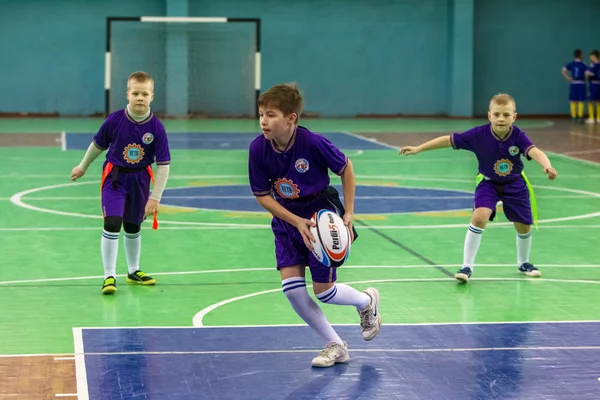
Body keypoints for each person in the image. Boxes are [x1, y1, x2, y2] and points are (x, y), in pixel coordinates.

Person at [247, 83, 381, 368]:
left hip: (321, 218)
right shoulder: (258, 149)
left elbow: (346, 167)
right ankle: (335, 345)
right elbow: (261, 195)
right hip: (288, 221)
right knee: (293, 290)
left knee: (325, 292)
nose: (263, 121)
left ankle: (365, 302)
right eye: (260, 114)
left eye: (270, 115)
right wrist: (294, 221)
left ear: (291, 118)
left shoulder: (313, 143)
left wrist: (349, 213)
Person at [399, 93, 557, 283]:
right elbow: (448, 140)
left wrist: (546, 165)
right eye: (497, 114)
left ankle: (524, 262)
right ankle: (467, 267)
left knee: (523, 225)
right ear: (489, 115)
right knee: (479, 216)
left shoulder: (518, 136)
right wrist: (419, 148)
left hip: (515, 184)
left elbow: (534, 151)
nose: (501, 119)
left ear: (514, 117)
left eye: (506, 115)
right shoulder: (477, 135)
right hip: (488, 183)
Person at [70, 71, 171, 294]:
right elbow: (97, 145)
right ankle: (109, 276)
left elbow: (164, 164)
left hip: (140, 179)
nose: (140, 97)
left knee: (133, 226)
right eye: (135, 93)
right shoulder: (115, 120)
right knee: (113, 223)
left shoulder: (156, 128)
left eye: (145, 93)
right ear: (128, 94)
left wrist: (155, 197)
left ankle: (134, 270)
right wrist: (82, 166)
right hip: (115, 178)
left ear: (152, 96)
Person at [561, 49, 588, 122]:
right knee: (578, 100)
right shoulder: (583, 64)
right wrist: (568, 78)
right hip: (579, 83)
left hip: (576, 84)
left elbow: (563, 70)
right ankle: (579, 116)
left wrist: (567, 78)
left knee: (575, 100)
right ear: (580, 55)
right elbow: (587, 74)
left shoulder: (574, 63)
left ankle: (575, 116)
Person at [585, 50, 600, 123]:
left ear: (594, 56)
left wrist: (587, 72)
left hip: (593, 84)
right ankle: (598, 118)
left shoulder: (593, 66)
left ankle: (591, 118)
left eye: (591, 56)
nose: (590, 58)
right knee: (598, 101)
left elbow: (588, 74)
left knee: (590, 101)